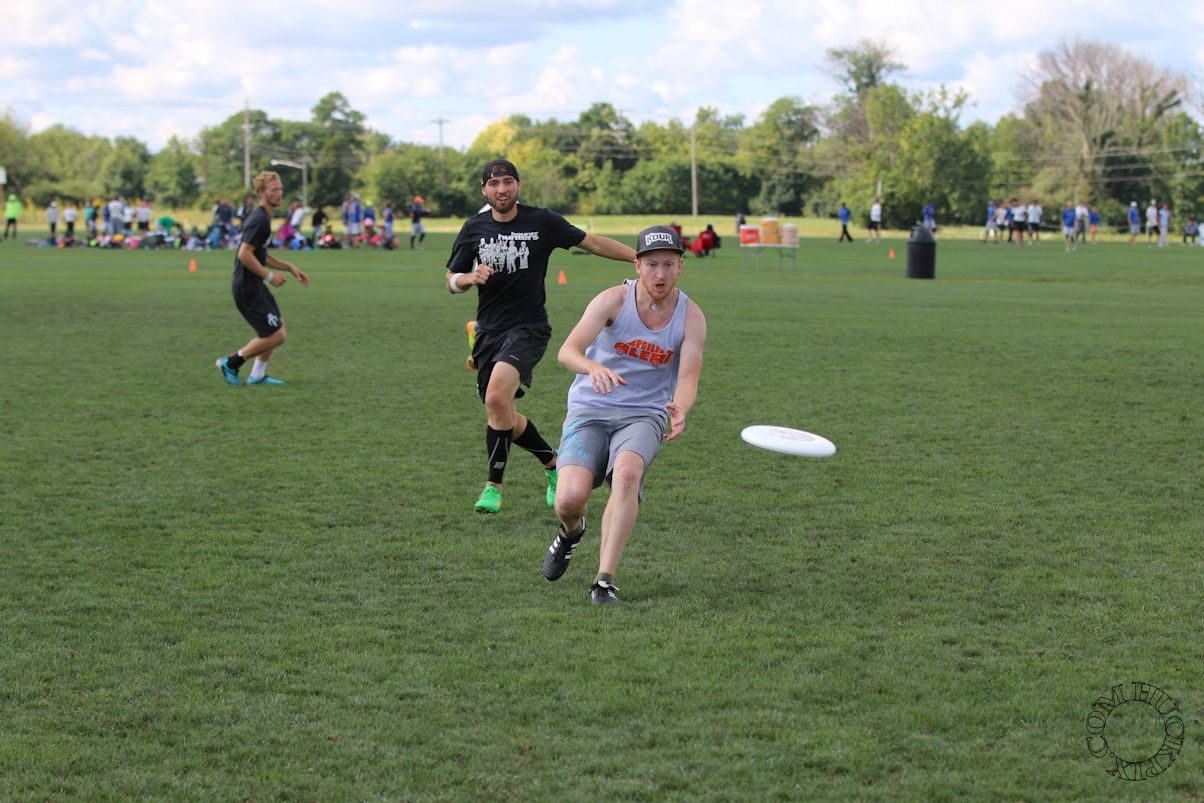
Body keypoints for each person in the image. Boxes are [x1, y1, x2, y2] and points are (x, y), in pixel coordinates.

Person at [445, 158, 636, 514]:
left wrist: (638, 258)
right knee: (501, 410)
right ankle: (552, 463)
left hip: (529, 328)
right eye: (494, 184)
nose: (502, 189)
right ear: (484, 191)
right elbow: (451, 280)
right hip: (488, 331)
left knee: (497, 396)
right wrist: (468, 278)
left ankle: (493, 487)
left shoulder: (542, 221)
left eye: (508, 181)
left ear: (517, 185)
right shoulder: (473, 228)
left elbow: (591, 243)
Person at [542, 225, 706, 605]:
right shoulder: (612, 300)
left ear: (681, 266)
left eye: (668, 264)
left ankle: (604, 581)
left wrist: (680, 407)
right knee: (569, 501)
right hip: (591, 409)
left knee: (627, 474)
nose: (660, 274)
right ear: (637, 265)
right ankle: (571, 532)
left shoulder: (691, 317)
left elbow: (688, 378)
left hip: (643, 414)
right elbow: (567, 351)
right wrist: (592, 367)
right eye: (652, 264)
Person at [215, 170, 310, 387]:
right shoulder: (260, 219)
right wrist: (269, 276)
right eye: (273, 190)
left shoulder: (263, 216)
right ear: (261, 193)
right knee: (277, 335)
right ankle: (231, 363)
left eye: (280, 189)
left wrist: (289, 267)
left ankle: (257, 376)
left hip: (253, 285)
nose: (279, 194)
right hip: (247, 288)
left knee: (275, 328)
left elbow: (260, 255)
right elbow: (244, 254)